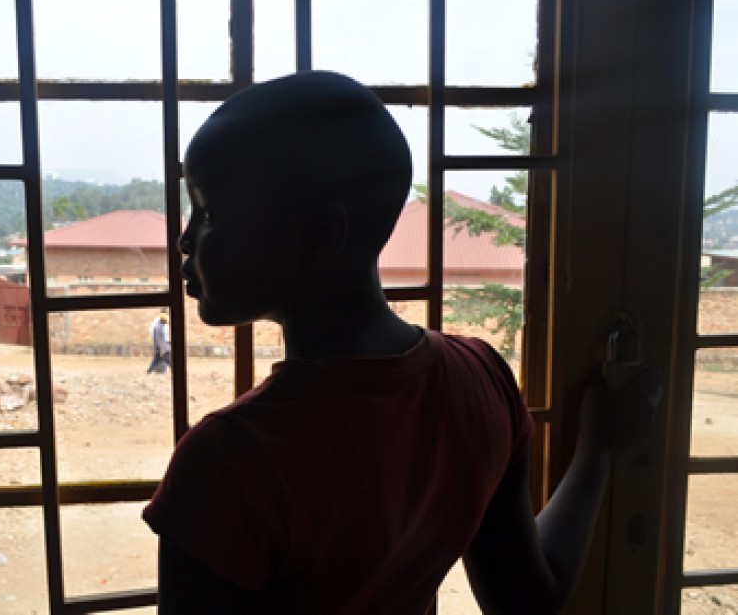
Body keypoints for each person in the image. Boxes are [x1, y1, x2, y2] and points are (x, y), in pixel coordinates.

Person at [141, 71, 663, 614]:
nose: (184, 238)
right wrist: (598, 446)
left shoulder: (228, 464)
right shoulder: (480, 378)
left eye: (208, 213)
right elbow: (529, 599)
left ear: (321, 234)